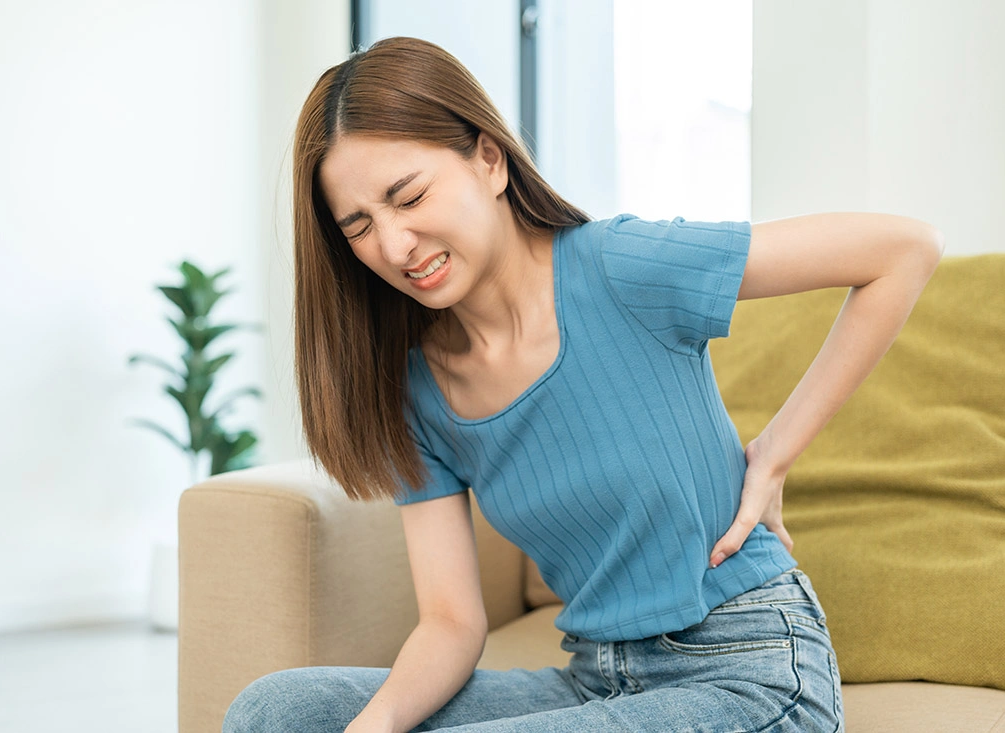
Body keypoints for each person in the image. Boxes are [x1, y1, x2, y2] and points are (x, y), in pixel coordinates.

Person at [223, 35, 944, 733]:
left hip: (752, 671)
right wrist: (372, 725)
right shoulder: (420, 389)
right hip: (597, 679)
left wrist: (775, 454)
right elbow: (451, 623)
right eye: (358, 226)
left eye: (408, 197)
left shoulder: (620, 266)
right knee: (276, 710)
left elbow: (902, 250)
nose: (393, 245)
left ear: (489, 161)